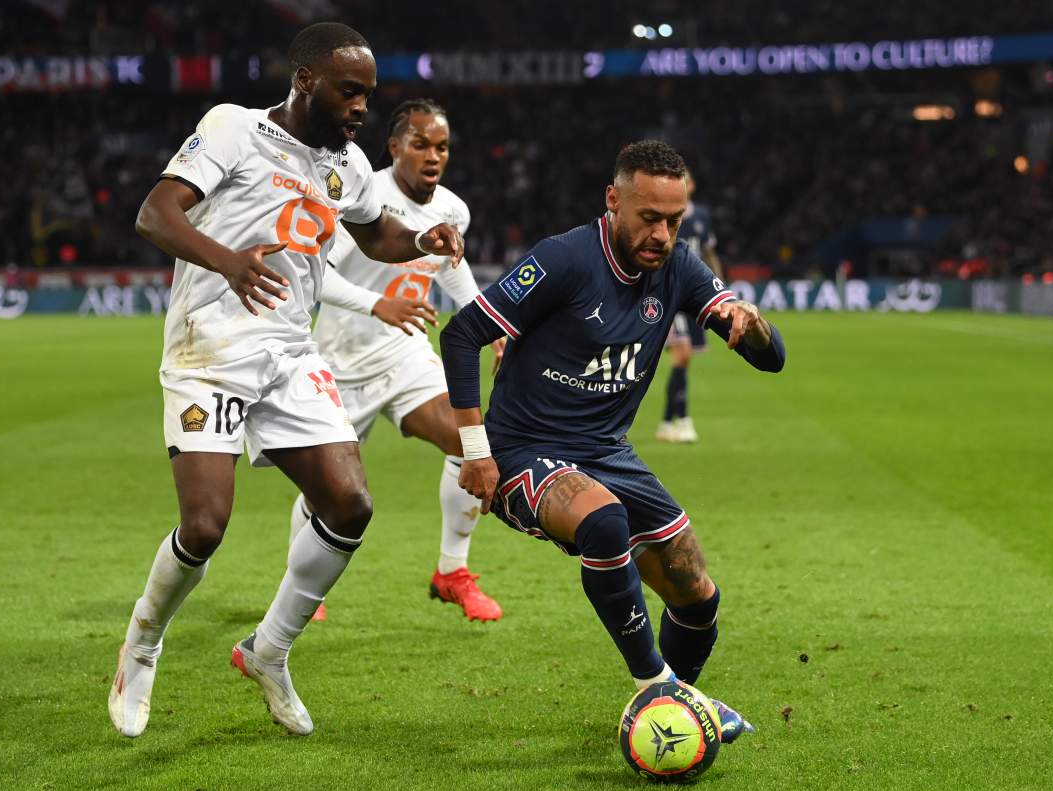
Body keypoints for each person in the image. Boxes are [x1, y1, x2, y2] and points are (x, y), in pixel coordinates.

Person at [107, 22, 464, 739]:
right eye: (349, 90)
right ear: (306, 80)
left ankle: (268, 650)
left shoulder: (349, 164)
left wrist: (420, 240)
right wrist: (228, 260)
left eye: (368, 94)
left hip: (291, 353)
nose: (361, 107)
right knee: (205, 526)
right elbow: (156, 213)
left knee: (350, 503)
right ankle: (141, 647)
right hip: (210, 347)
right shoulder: (234, 128)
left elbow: (376, 236)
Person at [438, 140, 785, 740]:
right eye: (649, 217)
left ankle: (672, 709)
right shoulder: (564, 259)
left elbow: (770, 358)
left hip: (607, 451)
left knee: (697, 597)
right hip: (523, 450)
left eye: (674, 220)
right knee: (604, 522)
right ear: (613, 200)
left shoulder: (679, 266)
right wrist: (476, 452)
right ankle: (657, 687)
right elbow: (462, 334)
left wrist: (751, 326)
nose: (662, 234)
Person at [297, 99, 503, 622]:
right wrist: (378, 304)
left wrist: (491, 324)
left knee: (468, 441)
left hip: (405, 353)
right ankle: (304, 588)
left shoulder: (453, 210)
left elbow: (448, 267)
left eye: (442, 147)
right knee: (328, 489)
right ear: (394, 147)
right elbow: (317, 274)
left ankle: (452, 571)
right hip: (339, 363)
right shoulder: (363, 197)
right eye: (421, 144)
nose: (433, 156)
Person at [657, 169, 725, 444]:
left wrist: (719, 287)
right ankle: (684, 420)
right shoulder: (665, 214)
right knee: (682, 354)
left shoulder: (702, 216)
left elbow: (709, 252)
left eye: (686, 179)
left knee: (683, 361)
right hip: (671, 294)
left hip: (693, 295)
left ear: (693, 185)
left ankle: (666, 423)